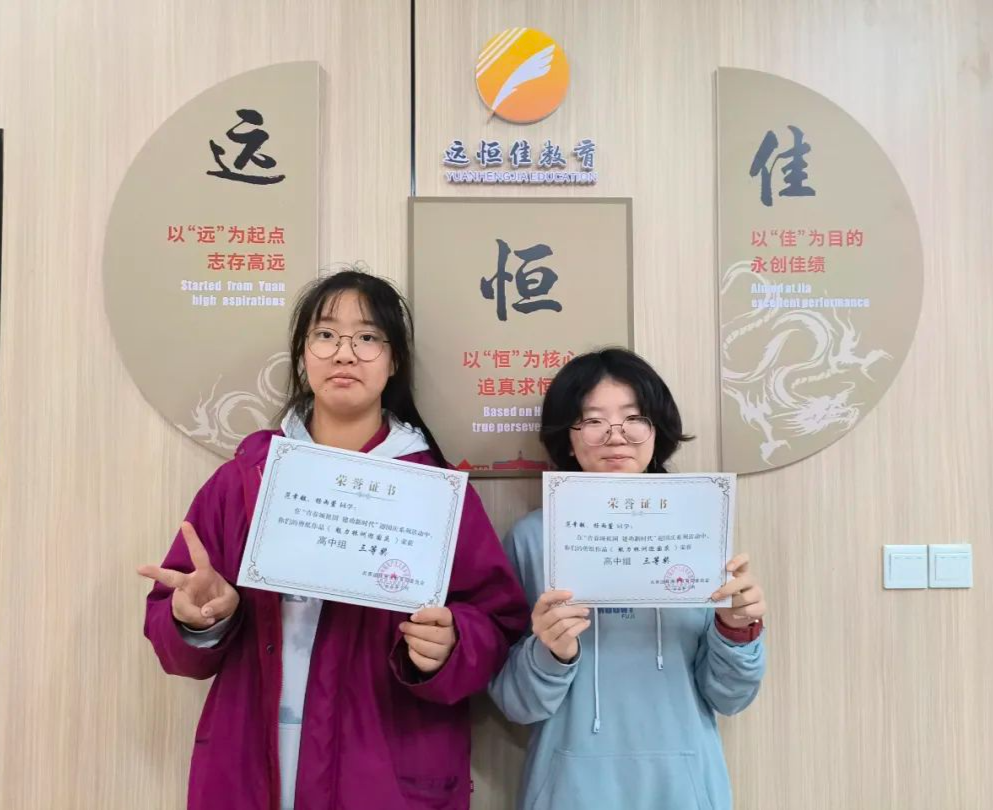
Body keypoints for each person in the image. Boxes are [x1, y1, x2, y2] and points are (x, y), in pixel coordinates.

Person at [139, 268, 530, 810]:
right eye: (325, 335)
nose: (344, 353)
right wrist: (199, 618)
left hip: (382, 772)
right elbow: (174, 622)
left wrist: (451, 644)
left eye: (367, 337)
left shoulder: (436, 493)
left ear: (394, 361)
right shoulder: (244, 480)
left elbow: (497, 622)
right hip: (250, 759)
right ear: (303, 354)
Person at [489, 348, 767, 810]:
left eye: (634, 418)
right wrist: (550, 652)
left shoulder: (699, 529)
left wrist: (737, 630)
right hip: (568, 792)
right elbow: (515, 704)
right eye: (593, 420)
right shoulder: (533, 540)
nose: (615, 436)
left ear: (657, 430)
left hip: (684, 791)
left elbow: (730, 696)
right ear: (568, 439)